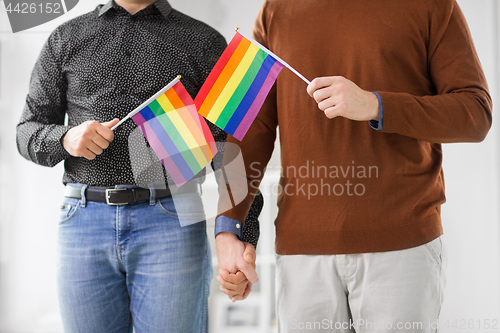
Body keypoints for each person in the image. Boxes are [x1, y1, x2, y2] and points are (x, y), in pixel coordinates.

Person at [215, 0, 492, 332]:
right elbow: (245, 131)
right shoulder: (273, 9)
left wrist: (376, 105)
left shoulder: (433, 4)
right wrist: (227, 227)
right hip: (302, 253)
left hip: (401, 247)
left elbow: (476, 113)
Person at [16, 0, 262, 332]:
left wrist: (238, 237)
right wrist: (65, 139)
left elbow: (234, 153)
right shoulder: (66, 38)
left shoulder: (204, 42)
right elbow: (26, 132)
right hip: (83, 223)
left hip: (172, 221)